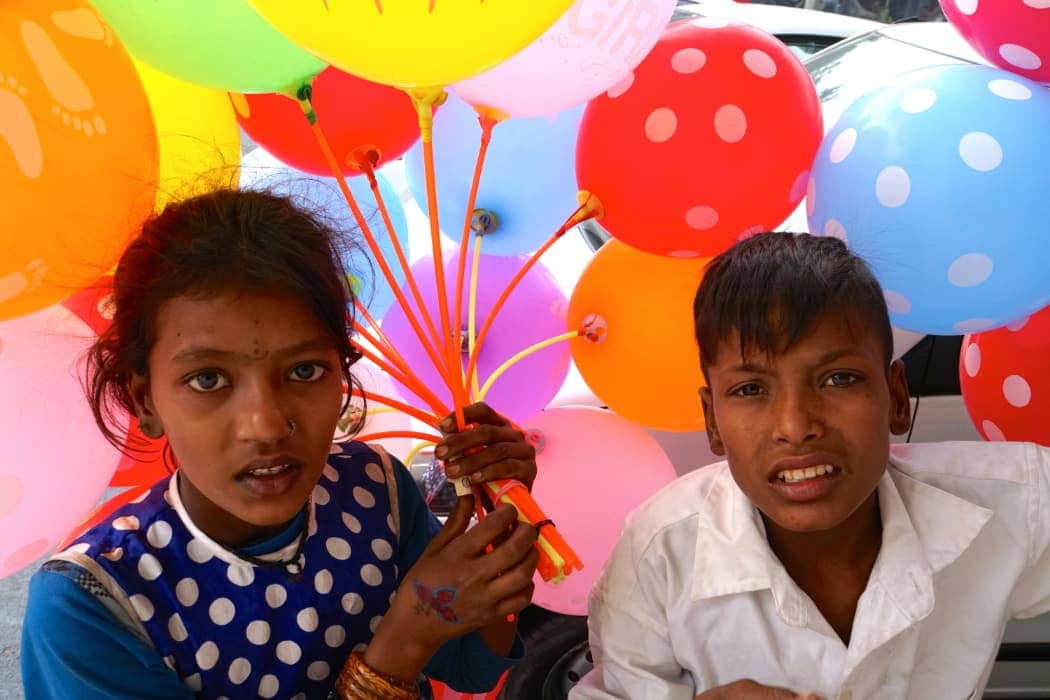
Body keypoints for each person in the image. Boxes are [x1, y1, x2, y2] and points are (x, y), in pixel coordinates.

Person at [20, 189, 540, 699]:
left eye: (304, 370)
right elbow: (421, 635)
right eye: (208, 380)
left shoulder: (374, 488)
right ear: (145, 402)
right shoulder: (95, 605)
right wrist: (402, 643)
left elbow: (471, 664)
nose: (265, 426)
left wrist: (504, 524)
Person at [572, 233, 1050, 699]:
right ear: (712, 422)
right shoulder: (658, 553)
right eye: (750, 390)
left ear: (897, 398)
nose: (795, 426)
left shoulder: (1008, 501)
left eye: (839, 379)